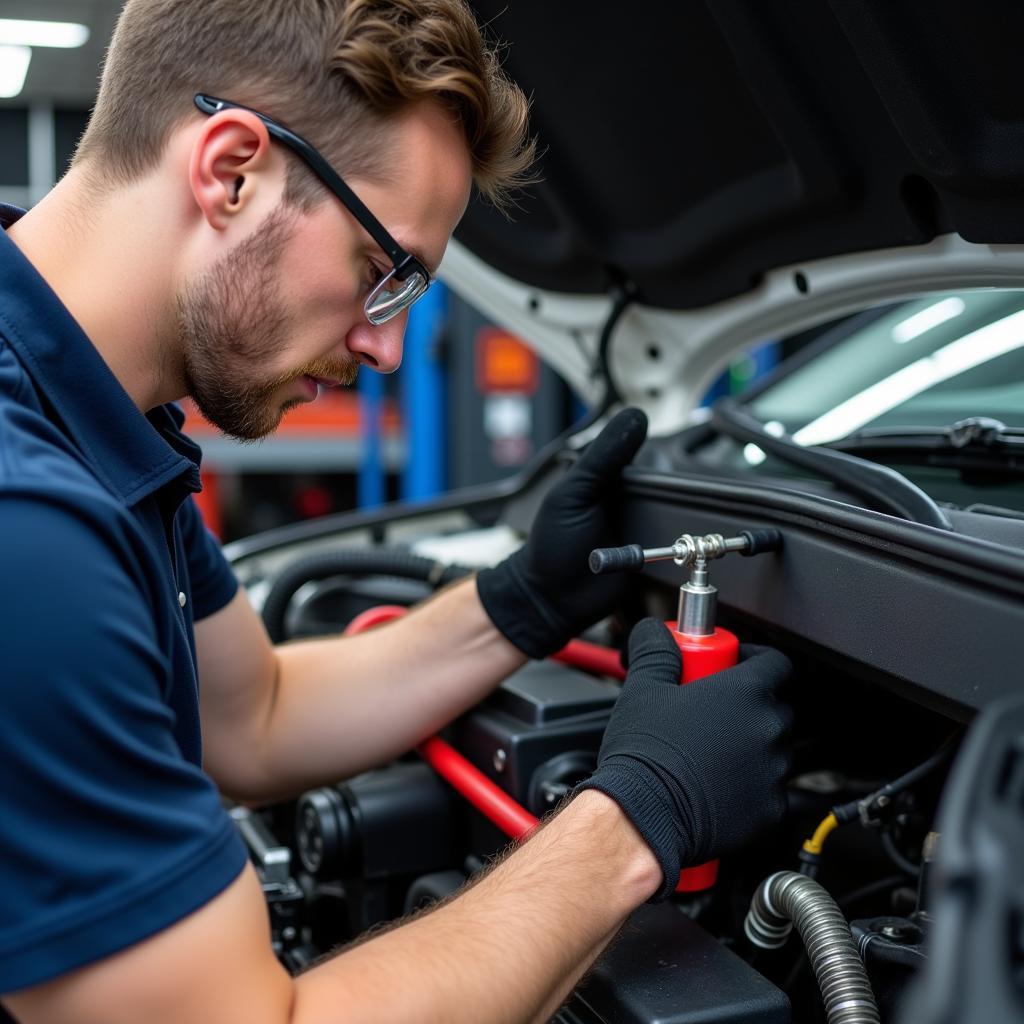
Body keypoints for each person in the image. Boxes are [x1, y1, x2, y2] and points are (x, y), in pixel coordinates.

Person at [0, 2, 792, 1021]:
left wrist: (518, 602)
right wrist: (640, 815)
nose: (384, 351)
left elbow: (255, 718)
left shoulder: (92, 423)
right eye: (382, 274)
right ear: (232, 169)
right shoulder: (29, 525)